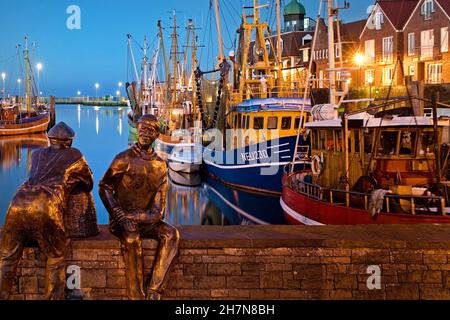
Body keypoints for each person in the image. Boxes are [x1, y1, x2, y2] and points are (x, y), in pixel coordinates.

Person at [0, 122, 94, 300]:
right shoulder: (75, 155)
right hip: (46, 205)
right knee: (56, 258)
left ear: (50, 139)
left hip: (17, 201)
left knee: (7, 259)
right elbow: (89, 183)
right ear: (70, 142)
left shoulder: (36, 154)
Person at [99, 114, 180, 300]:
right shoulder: (123, 159)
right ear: (137, 131)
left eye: (150, 130)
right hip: (121, 219)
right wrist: (119, 215)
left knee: (171, 234)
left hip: (145, 219)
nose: (145, 133)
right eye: (142, 129)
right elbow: (104, 187)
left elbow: (159, 210)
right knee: (132, 239)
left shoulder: (160, 166)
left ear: (157, 135)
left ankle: (154, 291)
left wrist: (140, 217)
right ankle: (136, 295)